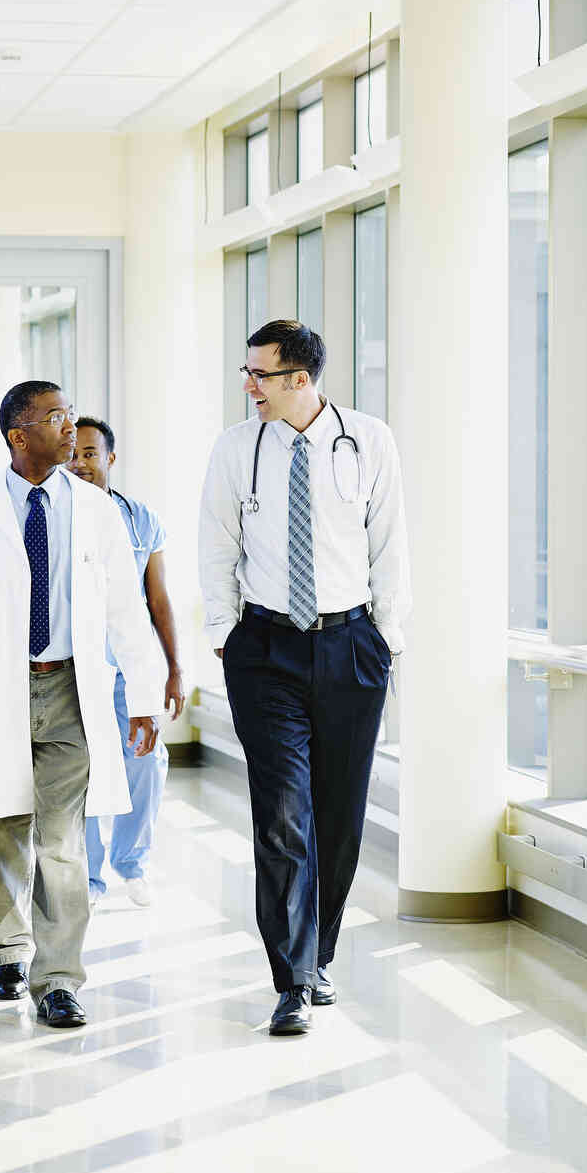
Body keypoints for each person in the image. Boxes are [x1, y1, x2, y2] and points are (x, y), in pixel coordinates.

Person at [0, 380, 165, 1028]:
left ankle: (56, 978)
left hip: (69, 687)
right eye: (55, 417)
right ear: (17, 435)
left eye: (71, 414)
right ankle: (6, 947)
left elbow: (125, 609)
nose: (69, 428)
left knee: (61, 841)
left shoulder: (95, 510)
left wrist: (142, 693)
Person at [199, 320, 409, 1038]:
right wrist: (225, 636)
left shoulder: (368, 441)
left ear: (301, 379)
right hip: (264, 649)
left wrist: (387, 638)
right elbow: (216, 545)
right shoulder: (237, 448)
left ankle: (319, 956)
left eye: (261, 374)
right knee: (282, 812)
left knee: (338, 812)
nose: (249, 385)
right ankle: (290, 980)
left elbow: (391, 545)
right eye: (246, 372)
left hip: (350, 643)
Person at [68, 416, 186, 907]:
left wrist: (174, 668)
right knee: (87, 767)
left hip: (130, 664)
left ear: (110, 459)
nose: (80, 463)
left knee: (148, 758)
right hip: (75, 663)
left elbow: (157, 599)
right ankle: (91, 877)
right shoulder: (56, 515)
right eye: (73, 453)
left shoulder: (141, 520)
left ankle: (130, 861)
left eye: (90, 453)